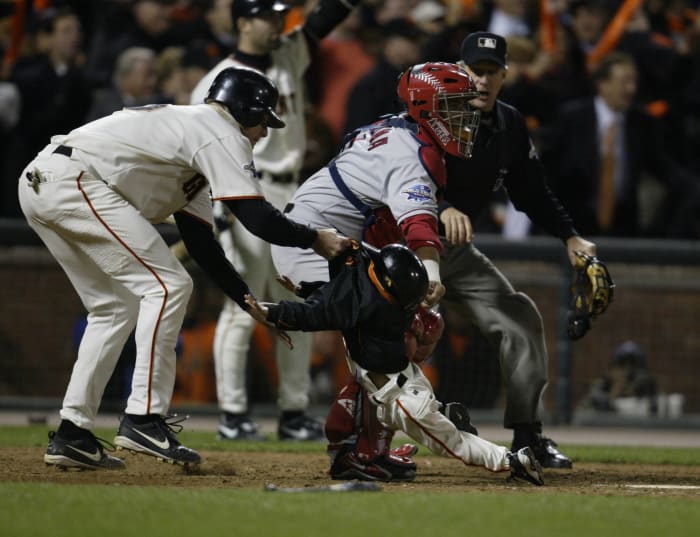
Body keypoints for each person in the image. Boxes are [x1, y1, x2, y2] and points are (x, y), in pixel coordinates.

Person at [20, 67, 348, 470]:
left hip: (46, 182)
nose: (264, 133)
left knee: (113, 308)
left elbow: (201, 243)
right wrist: (316, 239)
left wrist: (247, 302)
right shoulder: (220, 130)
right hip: (74, 181)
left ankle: (72, 433)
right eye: (263, 121)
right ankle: (143, 416)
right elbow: (258, 219)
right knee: (168, 285)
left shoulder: (193, 144)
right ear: (245, 110)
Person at [189, 0, 363, 442]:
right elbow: (198, 155)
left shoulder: (288, 54)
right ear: (243, 22)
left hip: (293, 191)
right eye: (267, 16)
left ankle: (294, 411)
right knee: (243, 306)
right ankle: (232, 414)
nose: (276, 23)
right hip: (245, 191)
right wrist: (218, 213)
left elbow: (329, 16)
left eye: (278, 15)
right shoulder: (217, 80)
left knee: (304, 304)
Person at [249, 241, 544, 486]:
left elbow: (323, 312)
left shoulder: (373, 301)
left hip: (400, 400)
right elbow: (340, 301)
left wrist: (273, 312)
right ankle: (432, 419)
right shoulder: (388, 296)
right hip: (394, 380)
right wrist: (306, 291)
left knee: (453, 444)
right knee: (341, 422)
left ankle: (513, 460)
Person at [438, 31, 597, 469]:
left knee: (521, 318)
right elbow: (395, 175)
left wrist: (570, 236)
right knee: (390, 333)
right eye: (475, 70)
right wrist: (441, 205)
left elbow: (531, 192)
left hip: (453, 251)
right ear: (459, 72)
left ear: (506, 75)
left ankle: (528, 436)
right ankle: (366, 434)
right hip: (401, 245)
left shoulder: (509, 123)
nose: (483, 80)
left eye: (492, 72)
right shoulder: (432, 113)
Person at [543, 50, 700, 237]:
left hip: (623, 227)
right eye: (624, 82)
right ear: (602, 84)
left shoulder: (641, 122)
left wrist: (693, 187)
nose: (631, 89)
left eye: (633, 82)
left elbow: (663, 167)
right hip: (574, 224)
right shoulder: (573, 118)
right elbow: (548, 167)